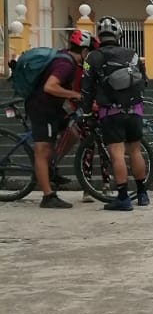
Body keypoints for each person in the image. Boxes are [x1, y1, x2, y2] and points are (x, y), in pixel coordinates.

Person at [81, 15, 150, 211]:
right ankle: (142, 193)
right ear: (119, 34)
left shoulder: (92, 57)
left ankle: (123, 198)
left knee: (117, 153)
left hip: (110, 112)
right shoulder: (133, 54)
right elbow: (144, 81)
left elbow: (86, 87)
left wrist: (87, 113)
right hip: (135, 110)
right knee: (135, 151)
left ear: (99, 36)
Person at [25, 29, 89, 209]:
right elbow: (50, 87)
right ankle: (48, 196)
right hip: (42, 108)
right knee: (42, 150)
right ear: (84, 51)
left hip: (53, 108)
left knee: (73, 133)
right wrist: (74, 95)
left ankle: (51, 166)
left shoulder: (64, 58)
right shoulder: (66, 65)